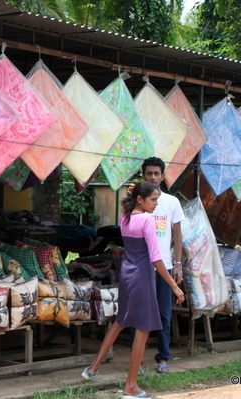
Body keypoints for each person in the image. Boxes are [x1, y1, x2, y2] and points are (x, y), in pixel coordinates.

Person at [81, 181, 185, 399]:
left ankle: (93, 367)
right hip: (142, 277)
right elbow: (156, 259)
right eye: (153, 200)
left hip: (127, 275)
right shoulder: (147, 220)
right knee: (143, 329)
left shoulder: (124, 217)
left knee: (120, 322)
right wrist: (174, 286)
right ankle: (130, 386)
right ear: (140, 199)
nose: (157, 204)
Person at [139, 156, 185, 374]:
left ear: (163, 176)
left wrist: (177, 264)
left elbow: (177, 234)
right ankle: (136, 359)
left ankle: (163, 358)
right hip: (141, 267)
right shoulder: (137, 203)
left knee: (164, 314)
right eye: (149, 173)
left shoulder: (171, 202)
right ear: (143, 176)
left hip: (164, 267)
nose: (153, 177)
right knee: (139, 314)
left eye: (157, 173)